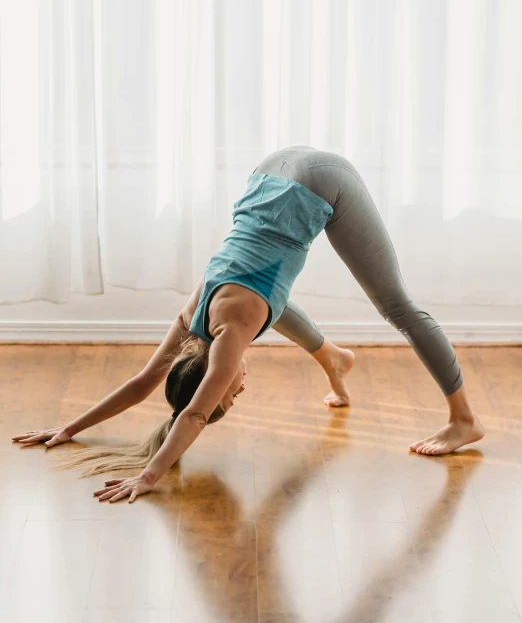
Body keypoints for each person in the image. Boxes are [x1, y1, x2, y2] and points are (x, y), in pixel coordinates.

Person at [12, 146, 484, 503]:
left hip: (321, 181)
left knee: (396, 306)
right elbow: (141, 384)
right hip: (270, 171)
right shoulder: (192, 321)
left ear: (213, 373)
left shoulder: (231, 336)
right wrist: (68, 429)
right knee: (267, 306)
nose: (240, 390)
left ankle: (464, 420)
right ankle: (335, 359)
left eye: (230, 393)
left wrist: (149, 475)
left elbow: (194, 413)